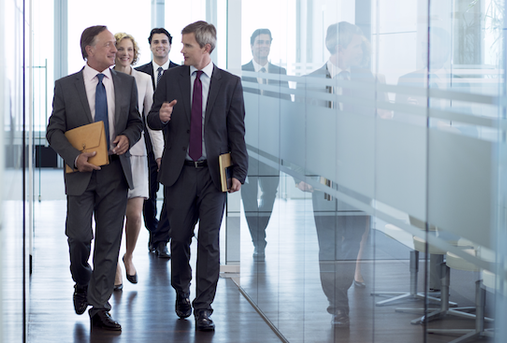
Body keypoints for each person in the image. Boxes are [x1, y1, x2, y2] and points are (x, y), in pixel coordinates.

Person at [146, 20, 247, 331]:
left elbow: (237, 132)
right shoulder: (171, 78)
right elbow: (151, 117)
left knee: (209, 242)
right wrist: (159, 116)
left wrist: (239, 171)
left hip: (214, 175)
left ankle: (204, 307)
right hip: (179, 173)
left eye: (187, 45)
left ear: (206, 47)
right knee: (179, 240)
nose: (181, 50)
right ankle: (182, 291)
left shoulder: (230, 83)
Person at [45, 25, 143, 331]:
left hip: (115, 172)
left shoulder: (127, 83)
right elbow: (54, 131)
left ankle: (100, 307)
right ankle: (81, 282)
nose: (116, 50)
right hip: (80, 173)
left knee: (109, 241)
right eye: (109, 45)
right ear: (89, 49)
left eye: (115, 45)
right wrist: (75, 157)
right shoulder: (66, 86)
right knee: (79, 236)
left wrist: (128, 136)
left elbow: (136, 122)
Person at [296, 21, 370, 327]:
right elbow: (299, 130)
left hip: (360, 178)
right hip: (324, 178)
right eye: (356, 46)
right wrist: (300, 173)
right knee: (328, 243)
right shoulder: (309, 82)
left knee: (352, 240)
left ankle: (341, 290)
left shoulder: (366, 82)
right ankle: (338, 302)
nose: (361, 51)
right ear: (340, 47)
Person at [111, 32, 164, 290]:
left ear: (135, 52)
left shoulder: (143, 79)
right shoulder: (106, 77)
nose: (125, 53)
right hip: (111, 153)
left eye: (129, 49)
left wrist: (159, 152)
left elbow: (151, 121)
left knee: (134, 215)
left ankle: (129, 255)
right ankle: (114, 265)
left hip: (138, 153)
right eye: (120, 48)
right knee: (110, 215)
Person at [240, 28, 291, 260]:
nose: (263, 46)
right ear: (252, 46)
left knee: (270, 193)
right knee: (248, 196)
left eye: (267, 42)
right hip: (248, 147)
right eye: (259, 42)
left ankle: (259, 232)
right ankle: (258, 239)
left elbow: (286, 110)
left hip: (272, 148)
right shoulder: (241, 73)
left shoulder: (281, 73)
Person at [135, 28, 179, 258]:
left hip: (173, 143)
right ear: (150, 46)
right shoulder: (138, 73)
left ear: (170, 45)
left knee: (171, 193)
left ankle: (162, 238)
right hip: (145, 143)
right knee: (148, 194)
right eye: (156, 42)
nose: (160, 45)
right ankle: (153, 231)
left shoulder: (181, 73)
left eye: (164, 42)